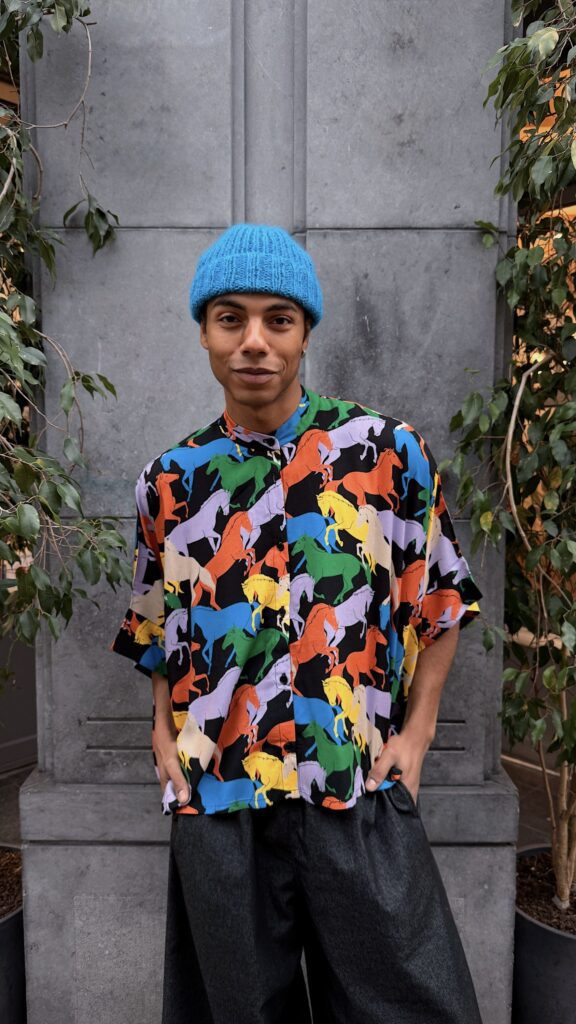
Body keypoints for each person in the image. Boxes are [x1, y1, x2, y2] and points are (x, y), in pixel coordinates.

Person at [109, 223, 485, 1024]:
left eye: (277, 319)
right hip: (221, 795)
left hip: (356, 782)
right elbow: (156, 628)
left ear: (305, 331)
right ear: (205, 333)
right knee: (239, 1010)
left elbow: (443, 598)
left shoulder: (387, 453)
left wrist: (417, 738)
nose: (255, 341)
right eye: (231, 319)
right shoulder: (169, 480)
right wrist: (160, 732)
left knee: (409, 1004)